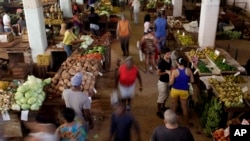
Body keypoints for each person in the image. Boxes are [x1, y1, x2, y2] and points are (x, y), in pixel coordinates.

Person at [169, 57, 194, 126]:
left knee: (174, 106)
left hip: (175, 90)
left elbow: (171, 83)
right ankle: (187, 123)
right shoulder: (188, 70)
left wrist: (170, 75)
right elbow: (192, 81)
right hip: (184, 91)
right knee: (184, 108)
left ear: (177, 63)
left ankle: (172, 123)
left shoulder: (174, 71)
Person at [156, 48, 172, 119]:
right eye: (168, 54)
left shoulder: (170, 60)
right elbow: (158, 73)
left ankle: (163, 107)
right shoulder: (161, 62)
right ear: (163, 55)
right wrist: (166, 72)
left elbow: (170, 67)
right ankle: (158, 111)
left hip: (168, 81)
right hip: (162, 82)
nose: (169, 55)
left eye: (170, 54)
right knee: (161, 96)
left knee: (166, 95)